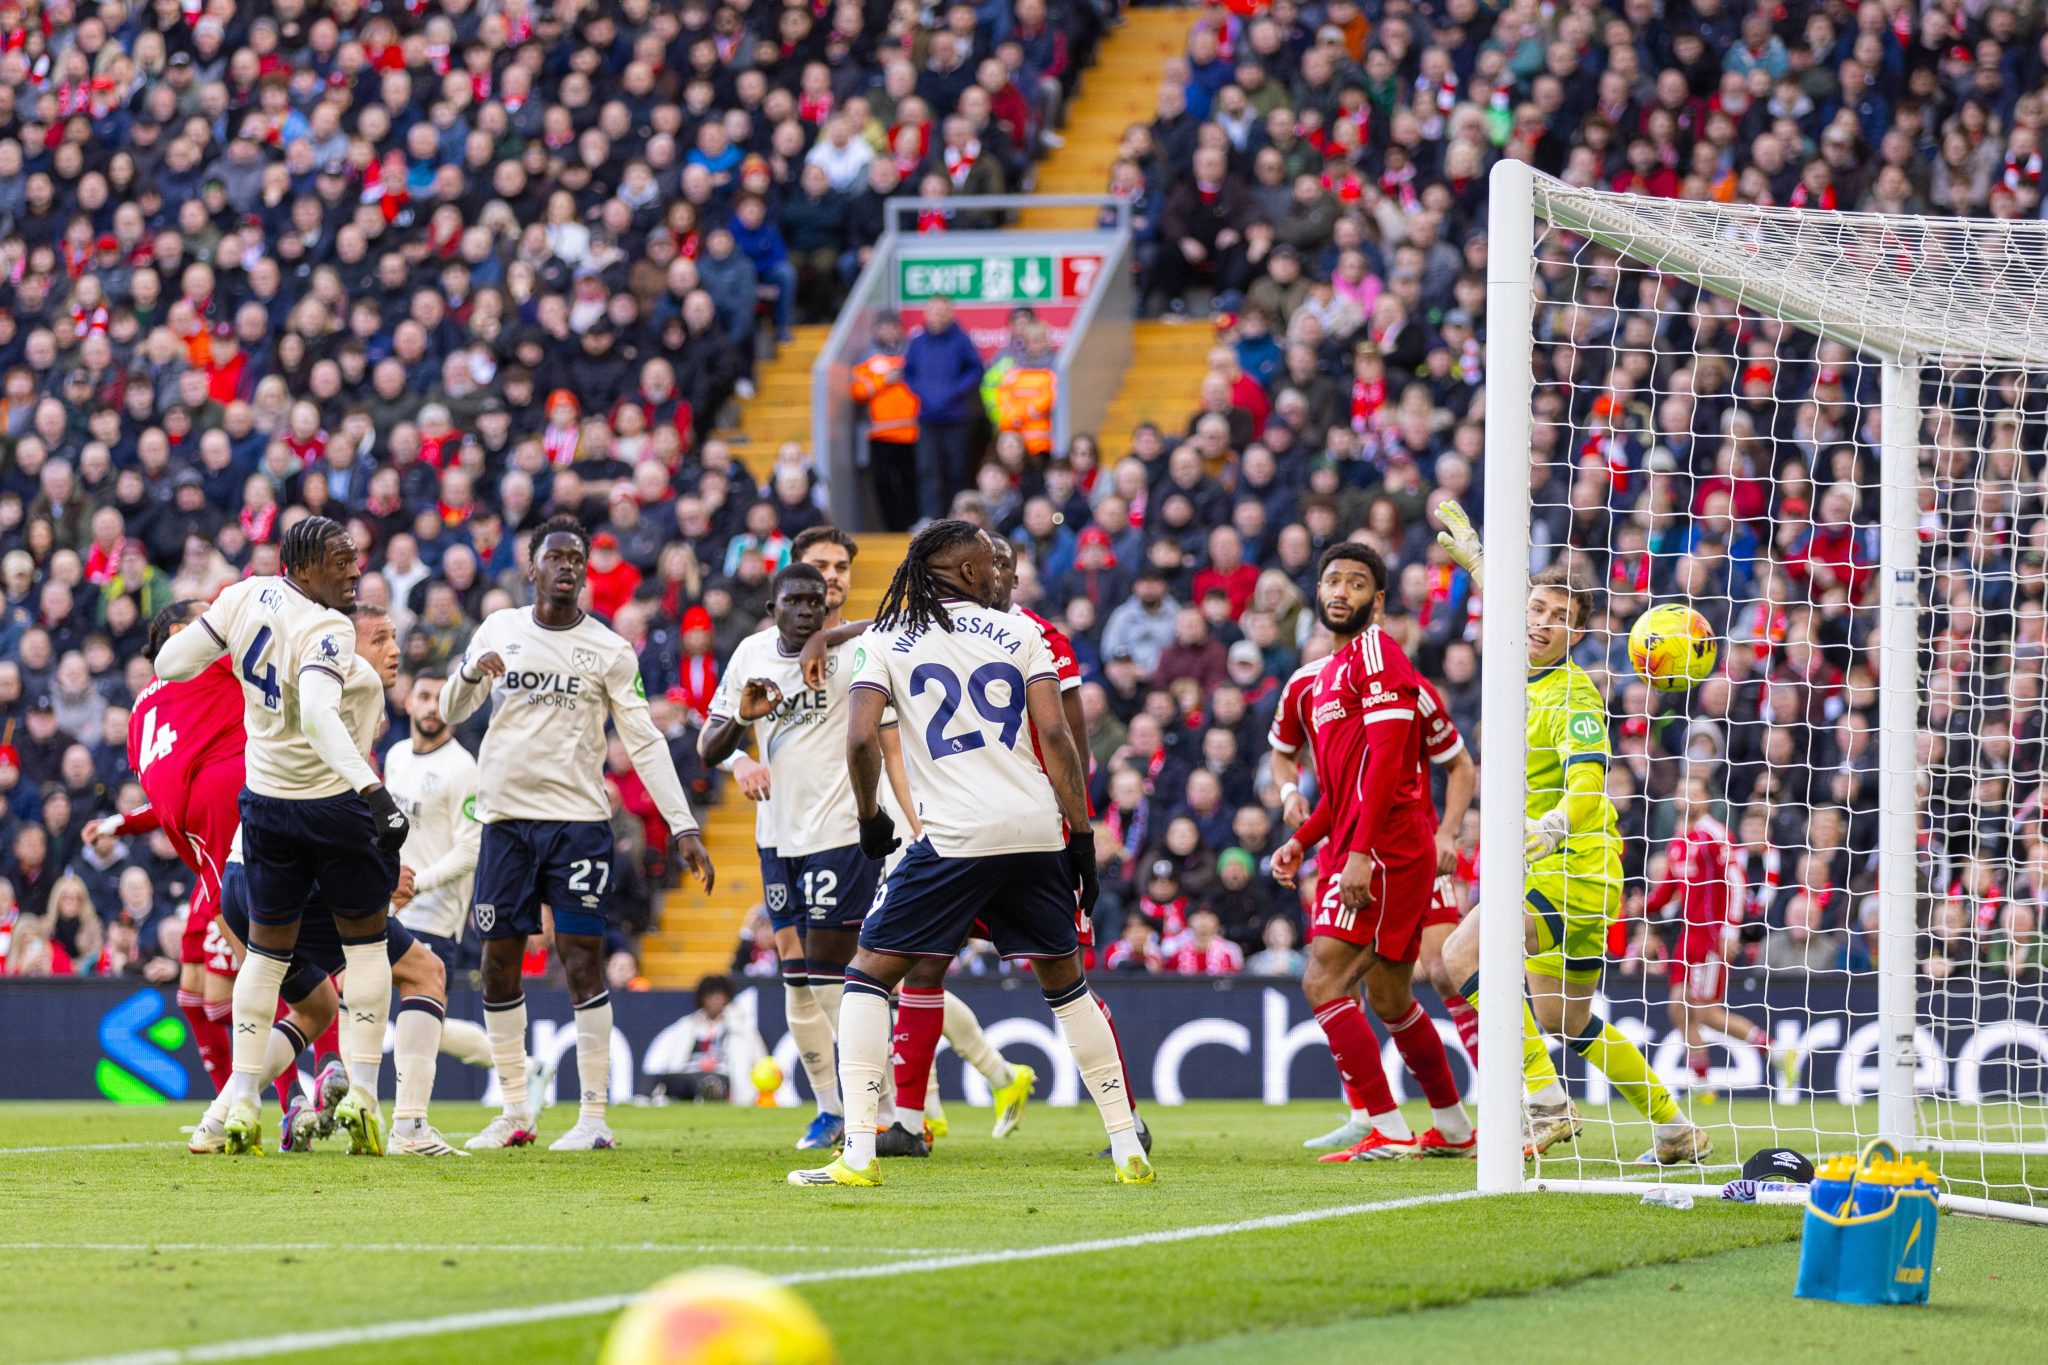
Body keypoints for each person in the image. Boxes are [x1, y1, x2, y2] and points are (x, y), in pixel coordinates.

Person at [788, 519, 1151, 1188]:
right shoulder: (1022, 632)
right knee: (1068, 988)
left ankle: (861, 1152)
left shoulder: (885, 638)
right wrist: (1080, 835)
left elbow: (862, 739)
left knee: (868, 975)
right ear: (967, 571)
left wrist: (871, 819)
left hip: (956, 836)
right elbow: (1058, 736)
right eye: (988, 561)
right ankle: (1128, 1144)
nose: (997, 571)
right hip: (1037, 828)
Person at [1434, 500, 1713, 1165]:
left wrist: (1559, 820)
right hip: (1577, 871)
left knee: (1459, 956)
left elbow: (1591, 778)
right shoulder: (1517, 657)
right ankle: (1677, 1129)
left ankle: (1546, 1103)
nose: (1541, 622)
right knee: (1566, 1019)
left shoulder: (1574, 693)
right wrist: (1479, 561)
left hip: (1572, 863)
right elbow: (1509, 608)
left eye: (1561, 617)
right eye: (1536, 608)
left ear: (1579, 631)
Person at [441, 516, 714, 1152]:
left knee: (581, 960)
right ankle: (515, 1111)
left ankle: (594, 1119)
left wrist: (682, 825)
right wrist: (470, 676)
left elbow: (644, 741)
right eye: (554, 557)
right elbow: (453, 713)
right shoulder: (499, 630)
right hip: (505, 821)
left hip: (578, 825)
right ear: (531, 569)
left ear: (585, 573)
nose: (566, 566)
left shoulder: (610, 649)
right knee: (498, 962)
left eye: (576, 558)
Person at [153, 516, 410, 1157]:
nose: (354, 570)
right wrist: (373, 790)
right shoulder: (327, 626)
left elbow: (169, 662)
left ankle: (242, 1101)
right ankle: (365, 1098)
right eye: (340, 560)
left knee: (265, 957)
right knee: (367, 950)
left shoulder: (242, 594)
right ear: (302, 567)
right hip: (329, 805)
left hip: (264, 807)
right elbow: (322, 715)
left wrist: (232, 659)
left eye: (355, 558)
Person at [1270, 543, 1474, 1161]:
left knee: (1324, 980)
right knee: (1389, 998)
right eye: (1332, 580)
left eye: (1357, 584)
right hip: (1370, 842)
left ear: (1377, 600)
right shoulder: (1326, 677)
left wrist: (1359, 852)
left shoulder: (1379, 653)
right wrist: (1301, 841)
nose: (1341, 592)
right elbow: (1340, 787)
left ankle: (1384, 1123)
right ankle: (1455, 1129)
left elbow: (1387, 762)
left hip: (1388, 846)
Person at [81, 600, 246, 1097]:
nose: (220, 618)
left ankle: (287, 1093)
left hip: (211, 839)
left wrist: (118, 822)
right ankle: (244, 1099)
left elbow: (169, 792)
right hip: (218, 831)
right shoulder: (211, 668)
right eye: (207, 614)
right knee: (201, 997)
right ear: (179, 633)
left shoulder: (140, 711)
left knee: (218, 992)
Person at [383, 667, 533, 1149]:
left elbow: (470, 850)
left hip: (434, 911)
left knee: (418, 1017)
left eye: (440, 698)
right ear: (407, 701)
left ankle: (408, 1122)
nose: (431, 707)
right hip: (392, 903)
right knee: (407, 1017)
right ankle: (524, 1067)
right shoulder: (395, 755)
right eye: (423, 696)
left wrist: (415, 885)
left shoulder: (462, 768)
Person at [1648, 775, 1788, 1094]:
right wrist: (1639, 906)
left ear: (1705, 800)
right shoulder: (1678, 840)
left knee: (1705, 1012)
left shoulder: (1715, 834)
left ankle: (1774, 1048)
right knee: (1676, 1007)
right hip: (1687, 936)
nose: (1685, 799)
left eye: (1692, 793)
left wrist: (1730, 929)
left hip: (1710, 935)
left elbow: (1736, 882)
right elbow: (1669, 890)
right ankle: (1701, 1081)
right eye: (1681, 793)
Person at [902, 297, 985, 523]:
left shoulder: (961, 340)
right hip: (927, 419)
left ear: (950, 314)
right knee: (927, 472)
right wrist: (923, 393)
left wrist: (954, 391)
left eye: (942, 312)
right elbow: (908, 373)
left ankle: (956, 519)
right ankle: (929, 518)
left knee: (957, 471)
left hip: (956, 418)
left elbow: (976, 370)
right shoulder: (917, 342)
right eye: (932, 312)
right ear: (926, 314)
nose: (937, 317)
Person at [849, 312, 921, 531]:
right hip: (881, 434)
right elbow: (857, 390)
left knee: (911, 481)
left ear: (900, 329)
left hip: (912, 432)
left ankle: (913, 524)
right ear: (876, 331)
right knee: (882, 482)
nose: (888, 331)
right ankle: (892, 527)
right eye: (883, 327)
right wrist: (884, 381)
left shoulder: (912, 354)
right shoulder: (867, 357)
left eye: (893, 327)